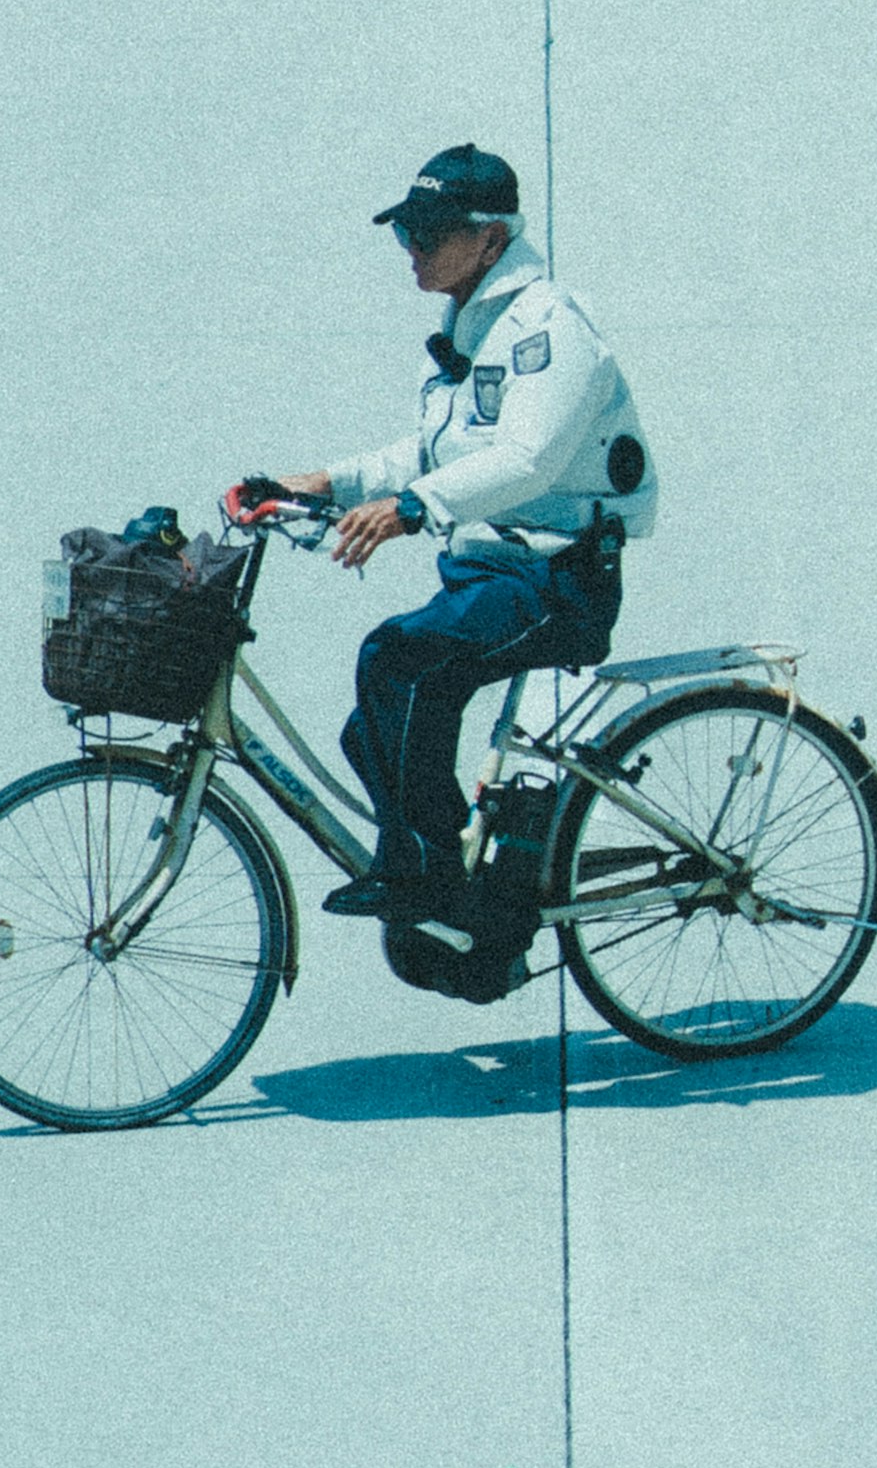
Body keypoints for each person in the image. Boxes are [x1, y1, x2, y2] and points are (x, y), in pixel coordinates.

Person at [255, 144, 655, 936]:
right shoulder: (474, 324)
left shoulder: (548, 327)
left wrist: (411, 509)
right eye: (406, 232)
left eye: (429, 235)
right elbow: (435, 453)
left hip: (561, 576)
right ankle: (468, 901)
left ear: (490, 238)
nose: (412, 250)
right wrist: (326, 483)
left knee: (398, 660)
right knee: (374, 731)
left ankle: (429, 876)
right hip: (498, 570)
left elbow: (528, 460)